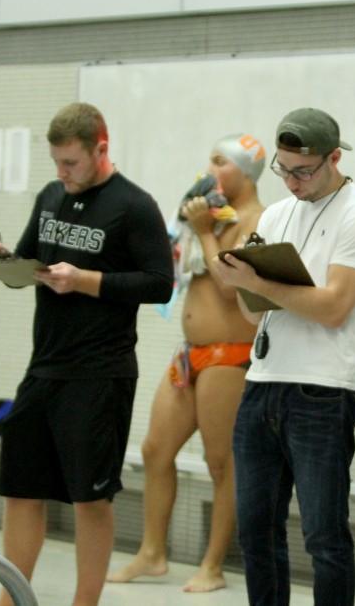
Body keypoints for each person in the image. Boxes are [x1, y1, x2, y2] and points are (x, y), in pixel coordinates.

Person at [0, 102, 173, 606]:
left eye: (71, 163)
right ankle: (13, 598)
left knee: (91, 497)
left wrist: (85, 280)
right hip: (44, 365)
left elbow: (159, 284)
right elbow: (29, 266)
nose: (61, 173)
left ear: (100, 150)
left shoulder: (134, 206)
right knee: (22, 490)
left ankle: (84, 603)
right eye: (56, 163)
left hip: (99, 373)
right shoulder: (51, 195)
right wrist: (8, 265)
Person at [216, 107, 355, 606]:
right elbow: (257, 317)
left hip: (324, 391)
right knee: (255, 531)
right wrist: (240, 283)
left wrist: (258, 282)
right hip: (264, 381)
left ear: (334, 158)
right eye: (284, 169)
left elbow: (335, 307)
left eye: (304, 171)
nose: (292, 181)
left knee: (324, 537)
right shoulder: (275, 215)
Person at [107, 134, 267, 592]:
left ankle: (212, 565)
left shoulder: (259, 220)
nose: (210, 170)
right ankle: (153, 553)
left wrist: (203, 233)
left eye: (221, 162)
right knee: (155, 450)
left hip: (229, 357)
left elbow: (232, 290)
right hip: (189, 354)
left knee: (222, 464)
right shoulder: (216, 218)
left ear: (247, 171)